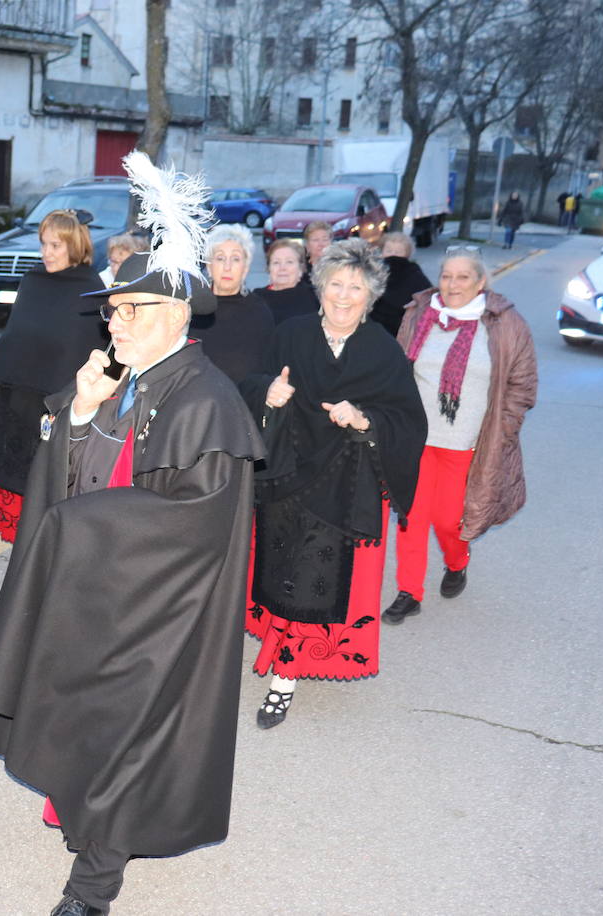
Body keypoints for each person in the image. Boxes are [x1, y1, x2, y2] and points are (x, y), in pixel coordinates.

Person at [0, 152, 264, 916]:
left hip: (154, 610)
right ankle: (84, 821)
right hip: (95, 591)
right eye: (112, 313)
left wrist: (81, 528)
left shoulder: (207, 399)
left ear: (171, 318)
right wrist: (84, 412)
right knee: (80, 714)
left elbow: (194, 522)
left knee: (128, 731)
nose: (113, 324)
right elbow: (74, 468)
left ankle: (93, 888)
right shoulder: (123, 377)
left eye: (127, 312)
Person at [243, 238, 426, 729]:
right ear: (320, 287)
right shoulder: (292, 333)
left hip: (347, 486)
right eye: (337, 285)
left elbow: (409, 421)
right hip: (287, 475)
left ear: (371, 297)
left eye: (357, 288)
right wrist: (268, 391)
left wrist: (365, 418)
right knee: (285, 574)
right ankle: (285, 659)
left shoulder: (383, 350)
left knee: (317, 579)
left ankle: (285, 675)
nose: (345, 296)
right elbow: (250, 380)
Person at [382, 247, 537, 625]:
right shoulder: (420, 314)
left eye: (463, 277)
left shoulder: (505, 324)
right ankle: (409, 591)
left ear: (481, 282)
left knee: (450, 520)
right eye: (447, 276)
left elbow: (522, 385)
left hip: (466, 441)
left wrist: (505, 427)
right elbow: (398, 369)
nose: (452, 284)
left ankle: (457, 561)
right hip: (416, 437)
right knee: (411, 517)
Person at [0, 210, 107, 541]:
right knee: (13, 474)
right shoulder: (33, 280)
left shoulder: (91, 288)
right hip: (18, 399)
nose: (46, 253)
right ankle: (16, 540)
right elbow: (14, 337)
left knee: (51, 480)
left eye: (56, 245)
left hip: (60, 403)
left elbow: (94, 348)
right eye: (44, 244)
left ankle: (48, 543)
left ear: (75, 246)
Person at [193, 223, 275, 385]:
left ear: (245, 268)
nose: (227, 267)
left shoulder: (259, 312)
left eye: (236, 259)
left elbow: (267, 371)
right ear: (209, 266)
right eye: (220, 258)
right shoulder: (193, 309)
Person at [372, 231, 432, 337]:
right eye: (389, 250)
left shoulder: (414, 274)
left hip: (401, 327)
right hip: (375, 326)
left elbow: (426, 296)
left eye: (398, 252)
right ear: (382, 252)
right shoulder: (374, 272)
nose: (393, 255)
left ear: (407, 254)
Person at [257, 237, 320, 324]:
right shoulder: (256, 299)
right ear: (269, 268)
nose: (282, 268)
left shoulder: (316, 297)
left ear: (300, 269)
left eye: (289, 262)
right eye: (276, 262)